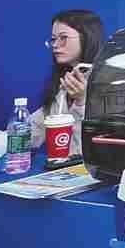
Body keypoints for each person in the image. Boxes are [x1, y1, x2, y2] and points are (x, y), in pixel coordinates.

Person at [30, 9, 104, 158]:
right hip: (62, 167)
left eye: (63, 38)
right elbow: (34, 130)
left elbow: (87, 149)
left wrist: (81, 102)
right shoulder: (65, 81)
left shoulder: (108, 81)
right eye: (53, 39)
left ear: (87, 37)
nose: (55, 45)